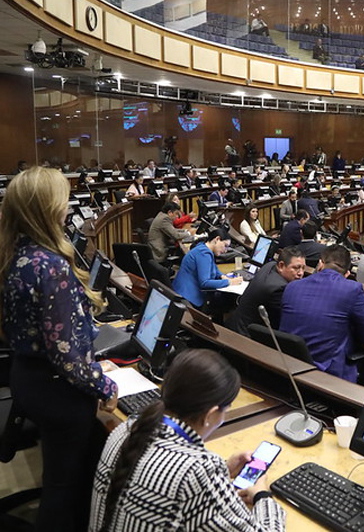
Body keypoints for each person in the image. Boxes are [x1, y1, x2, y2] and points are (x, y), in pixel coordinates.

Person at [0, 167, 118, 532]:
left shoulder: (16, 255)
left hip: (28, 378)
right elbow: (66, 353)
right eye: (63, 199)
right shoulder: (51, 267)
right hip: (58, 391)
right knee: (65, 488)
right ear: (48, 208)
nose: (68, 206)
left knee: (57, 477)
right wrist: (104, 385)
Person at [90, 349, 286, 532]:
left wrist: (224, 472)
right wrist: (262, 496)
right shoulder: (197, 470)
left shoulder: (127, 428)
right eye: (225, 410)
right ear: (210, 415)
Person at [281, 245, 364, 382]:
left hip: (289, 366)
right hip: (327, 373)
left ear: (320, 264)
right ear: (347, 273)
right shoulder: (352, 289)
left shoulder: (292, 286)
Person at [226, 247, 306, 335]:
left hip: (235, 323)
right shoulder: (278, 289)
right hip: (246, 336)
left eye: (303, 268)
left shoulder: (270, 265)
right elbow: (287, 319)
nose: (301, 273)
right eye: (296, 268)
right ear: (281, 266)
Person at [173, 228, 242, 309]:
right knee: (228, 302)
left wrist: (222, 276)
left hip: (181, 291)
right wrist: (230, 282)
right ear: (217, 239)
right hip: (189, 298)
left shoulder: (203, 247)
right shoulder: (204, 254)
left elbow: (213, 267)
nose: (225, 251)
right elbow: (205, 283)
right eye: (225, 246)